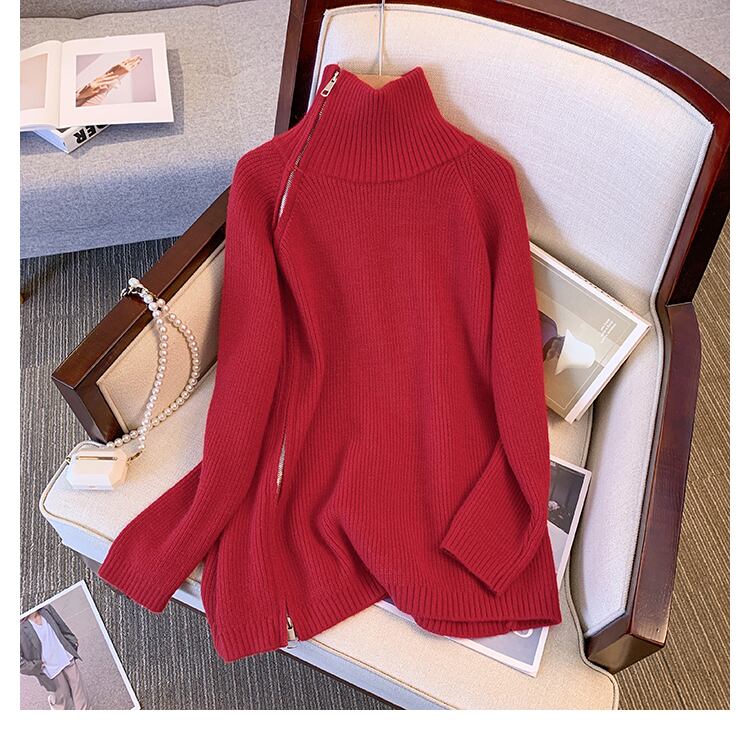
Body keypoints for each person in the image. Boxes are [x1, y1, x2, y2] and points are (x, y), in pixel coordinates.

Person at [20, 604, 90, 710]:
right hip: (49, 668)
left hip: (66, 656)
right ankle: (55, 703)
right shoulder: (20, 628)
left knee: (79, 691)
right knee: (62, 698)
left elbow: (61, 625)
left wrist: (72, 640)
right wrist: (35, 666)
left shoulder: (46, 609)